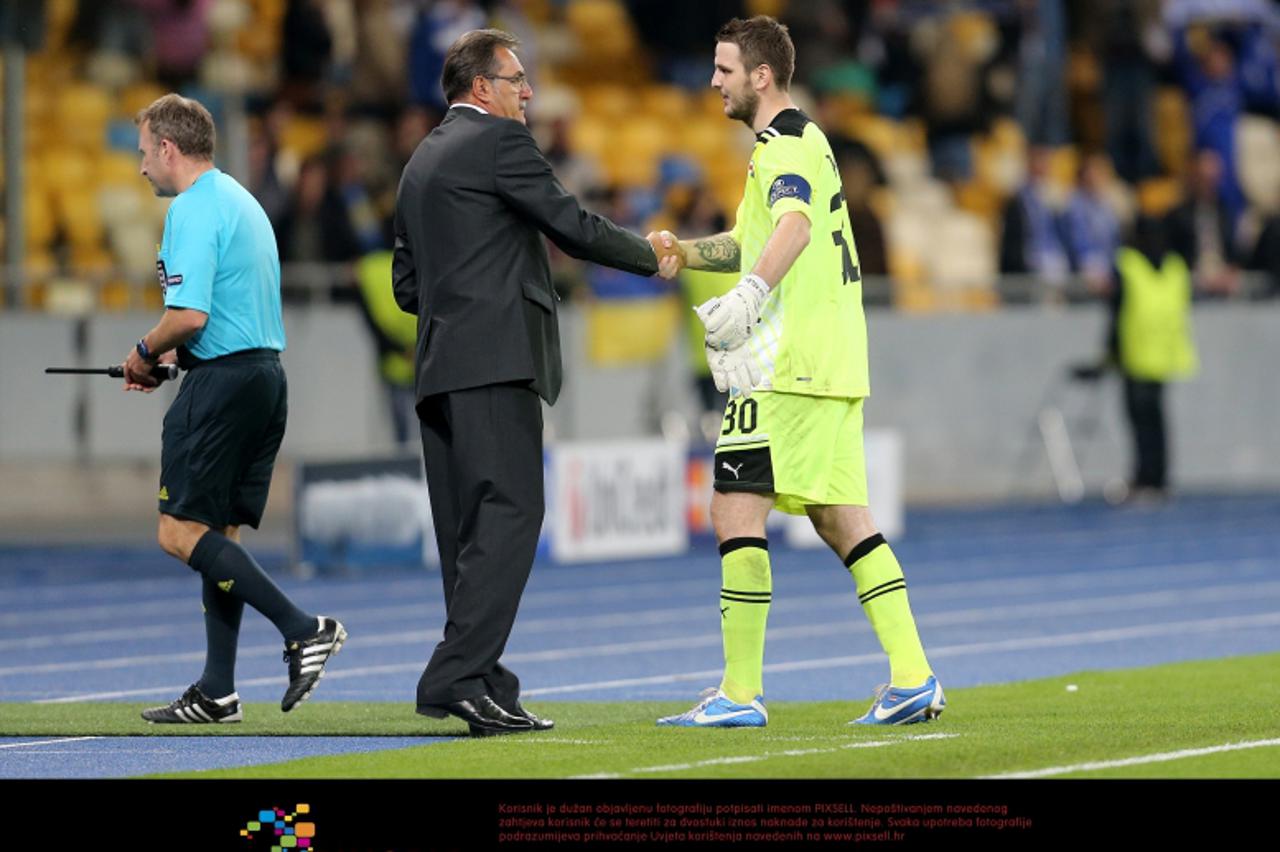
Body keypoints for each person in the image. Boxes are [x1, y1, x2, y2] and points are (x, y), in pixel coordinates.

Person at [651, 16, 942, 728]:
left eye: (724, 70)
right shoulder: (807, 142)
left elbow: (794, 229)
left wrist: (750, 298)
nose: (713, 83)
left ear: (760, 76)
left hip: (787, 366)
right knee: (842, 520)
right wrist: (688, 253)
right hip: (837, 362)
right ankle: (913, 678)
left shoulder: (779, 144)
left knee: (732, 508)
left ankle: (740, 694)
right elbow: (759, 237)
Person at [392, 29, 676, 736]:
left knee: (470, 532)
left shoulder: (421, 160)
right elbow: (570, 224)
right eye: (517, 78)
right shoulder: (499, 143)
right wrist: (650, 255)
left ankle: (485, 680)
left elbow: (406, 286)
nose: (529, 91)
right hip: (494, 364)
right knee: (513, 513)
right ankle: (455, 674)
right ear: (482, 87)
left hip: (439, 370)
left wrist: (461, 298)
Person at [123, 94, 346, 724]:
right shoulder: (241, 200)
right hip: (262, 376)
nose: (141, 167)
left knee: (177, 531)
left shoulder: (191, 209)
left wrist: (144, 350)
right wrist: (175, 360)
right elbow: (222, 317)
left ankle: (304, 628)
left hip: (224, 385)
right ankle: (218, 689)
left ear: (168, 148)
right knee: (218, 535)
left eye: (143, 153)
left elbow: (189, 315)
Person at [1105, 215, 1198, 504]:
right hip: (1165, 354)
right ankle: (1159, 477)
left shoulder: (1128, 264)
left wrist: (1110, 350)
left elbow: (1117, 311)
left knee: (1140, 421)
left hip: (1136, 354)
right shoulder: (1175, 267)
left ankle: (1146, 477)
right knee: (1157, 420)